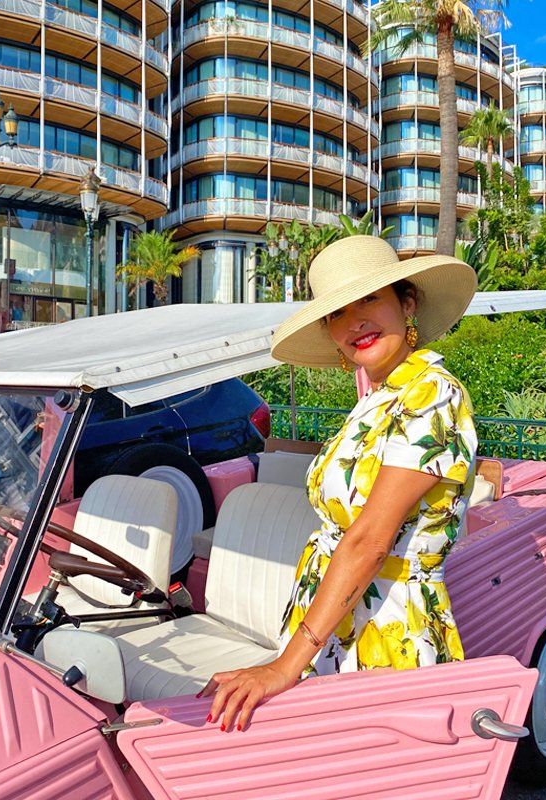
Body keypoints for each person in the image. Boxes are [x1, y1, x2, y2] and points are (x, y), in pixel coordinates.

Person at [198, 236, 479, 732]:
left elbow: (370, 541)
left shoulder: (432, 393)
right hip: (332, 620)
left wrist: (283, 667)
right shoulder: (377, 399)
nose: (355, 322)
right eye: (338, 312)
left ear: (407, 303)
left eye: (370, 299)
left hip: (386, 625)